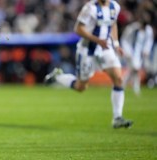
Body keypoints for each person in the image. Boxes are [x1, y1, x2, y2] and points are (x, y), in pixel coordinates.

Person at [44, 0, 133, 129]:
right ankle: (58, 76)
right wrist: (97, 40)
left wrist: (116, 44)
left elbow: (113, 24)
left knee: (118, 79)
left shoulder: (115, 7)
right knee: (81, 87)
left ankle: (117, 117)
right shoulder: (90, 8)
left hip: (105, 48)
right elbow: (78, 29)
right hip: (87, 50)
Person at [121, 10, 154, 96]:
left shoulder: (148, 30)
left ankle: (122, 86)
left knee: (133, 70)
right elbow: (124, 39)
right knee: (135, 69)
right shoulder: (132, 28)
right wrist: (126, 51)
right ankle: (135, 88)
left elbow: (149, 41)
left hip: (140, 54)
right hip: (130, 52)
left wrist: (146, 50)